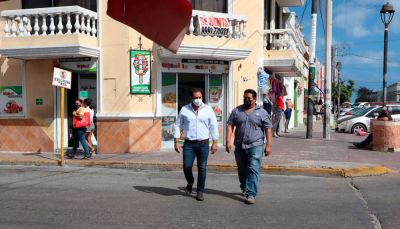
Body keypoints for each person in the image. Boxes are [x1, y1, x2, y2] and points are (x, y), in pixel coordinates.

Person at [226, 89, 272, 204]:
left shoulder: (262, 112)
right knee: (242, 169)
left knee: (253, 168)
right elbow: (230, 125)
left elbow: (268, 129)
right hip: (240, 145)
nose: (246, 100)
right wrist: (228, 141)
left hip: (256, 145)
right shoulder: (237, 111)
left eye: (249, 98)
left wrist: (268, 145)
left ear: (255, 99)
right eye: (245, 98)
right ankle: (244, 187)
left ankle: (251, 194)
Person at [173, 88, 218, 201]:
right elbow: (178, 125)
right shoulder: (184, 109)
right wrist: (176, 141)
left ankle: (200, 191)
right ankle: (190, 181)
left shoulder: (208, 110)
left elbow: (213, 126)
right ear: (191, 98)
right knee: (187, 166)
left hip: (203, 143)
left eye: (200, 97)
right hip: (189, 144)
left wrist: (215, 142)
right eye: (195, 98)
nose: (198, 100)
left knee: (202, 168)